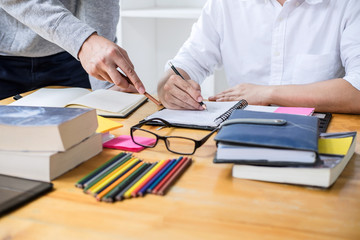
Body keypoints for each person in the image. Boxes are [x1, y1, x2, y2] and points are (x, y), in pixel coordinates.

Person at [157, 0, 360, 113]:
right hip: (240, 129)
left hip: (318, 131)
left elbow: (357, 91)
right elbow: (185, 65)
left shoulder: (349, 5)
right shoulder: (223, 4)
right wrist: (170, 88)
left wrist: (267, 93)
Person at [0, 1, 143, 100]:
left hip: (71, 56)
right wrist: (83, 40)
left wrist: (106, 78)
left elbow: (100, 4)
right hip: (4, 59)